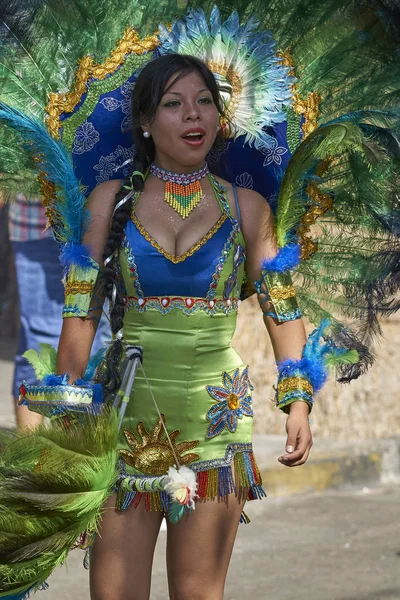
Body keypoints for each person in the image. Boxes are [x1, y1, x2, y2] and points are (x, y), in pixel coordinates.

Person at [56, 54, 312, 600]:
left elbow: (281, 310)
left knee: (198, 595)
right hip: (123, 419)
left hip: (216, 424)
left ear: (221, 118)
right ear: (145, 122)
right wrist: (66, 421)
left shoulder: (249, 209)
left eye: (204, 102)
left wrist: (297, 401)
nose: (193, 115)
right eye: (173, 104)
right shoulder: (109, 201)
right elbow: (81, 312)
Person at [8, 194, 111, 430]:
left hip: (102, 226)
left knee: (98, 350)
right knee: (38, 345)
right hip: (40, 229)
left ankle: (81, 453)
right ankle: (30, 456)